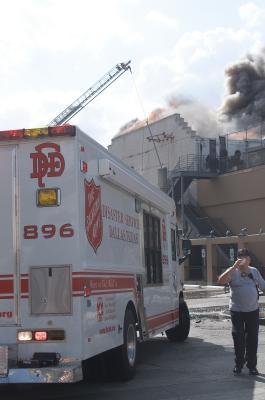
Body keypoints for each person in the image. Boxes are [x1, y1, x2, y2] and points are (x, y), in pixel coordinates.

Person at [218, 248, 265, 376]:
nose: (243, 259)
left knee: (252, 339)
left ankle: (252, 366)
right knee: (238, 337)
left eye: (245, 256)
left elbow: (263, 286)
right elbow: (221, 280)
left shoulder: (254, 271)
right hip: (236, 310)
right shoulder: (232, 271)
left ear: (249, 259)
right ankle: (239, 364)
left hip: (252, 310)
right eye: (241, 256)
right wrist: (233, 267)